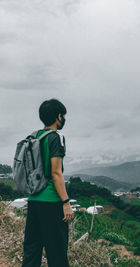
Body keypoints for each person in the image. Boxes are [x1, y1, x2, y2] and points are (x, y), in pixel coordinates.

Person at [22, 99, 74, 267]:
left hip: (34, 200)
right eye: (63, 116)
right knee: (57, 252)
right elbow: (56, 173)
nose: (64, 119)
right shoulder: (56, 138)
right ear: (58, 116)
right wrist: (66, 202)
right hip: (51, 203)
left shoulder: (33, 137)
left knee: (31, 250)